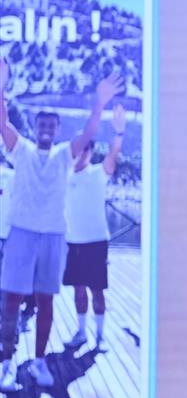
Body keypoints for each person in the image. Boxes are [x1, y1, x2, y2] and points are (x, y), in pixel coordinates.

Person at [0, 57, 123, 391]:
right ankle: (6, 365)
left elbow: (89, 132)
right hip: (22, 232)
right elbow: (2, 121)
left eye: (51, 126)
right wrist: (1, 86)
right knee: (11, 301)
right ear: (35, 127)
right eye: (41, 125)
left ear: (56, 131)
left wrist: (100, 103)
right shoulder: (21, 150)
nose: (45, 129)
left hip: (54, 236)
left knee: (46, 302)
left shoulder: (64, 155)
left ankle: (39, 362)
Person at [63, 103, 127, 351]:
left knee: (97, 291)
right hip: (72, 243)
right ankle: (81, 332)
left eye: (87, 148)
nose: (82, 152)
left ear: (91, 151)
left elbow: (113, 155)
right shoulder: (64, 176)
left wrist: (119, 132)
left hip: (96, 242)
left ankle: (100, 337)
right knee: (78, 291)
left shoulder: (99, 173)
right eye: (79, 147)